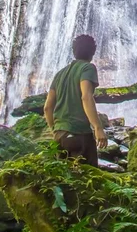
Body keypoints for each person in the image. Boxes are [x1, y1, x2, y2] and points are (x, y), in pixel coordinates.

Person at [43, 34, 108, 167]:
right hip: (79, 134)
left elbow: (47, 107)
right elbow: (86, 96)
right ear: (93, 52)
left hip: (60, 136)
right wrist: (98, 127)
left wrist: (55, 130)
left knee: (66, 181)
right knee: (89, 180)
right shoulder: (87, 68)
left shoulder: (59, 74)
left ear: (74, 51)